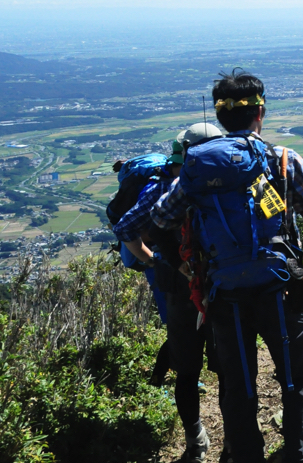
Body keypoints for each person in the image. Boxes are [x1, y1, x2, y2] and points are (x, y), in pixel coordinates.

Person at [151, 70, 303, 463]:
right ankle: (301, 456)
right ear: (260, 113)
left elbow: (159, 221)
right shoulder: (282, 160)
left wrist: (184, 267)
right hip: (281, 286)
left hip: (224, 292)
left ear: (221, 118)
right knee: (296, 378)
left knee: (238, 385)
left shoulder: (198, 168)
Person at [114, 122, 225, 463]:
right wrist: (154, 261)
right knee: (223, 365)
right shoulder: (210, 181)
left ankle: (197, 441)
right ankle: (222, 437)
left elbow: (126, 229)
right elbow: (126, 228)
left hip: (179, 286)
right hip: (214, 283)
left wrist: (157, 262)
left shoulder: (165, 183)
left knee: (190, 367)